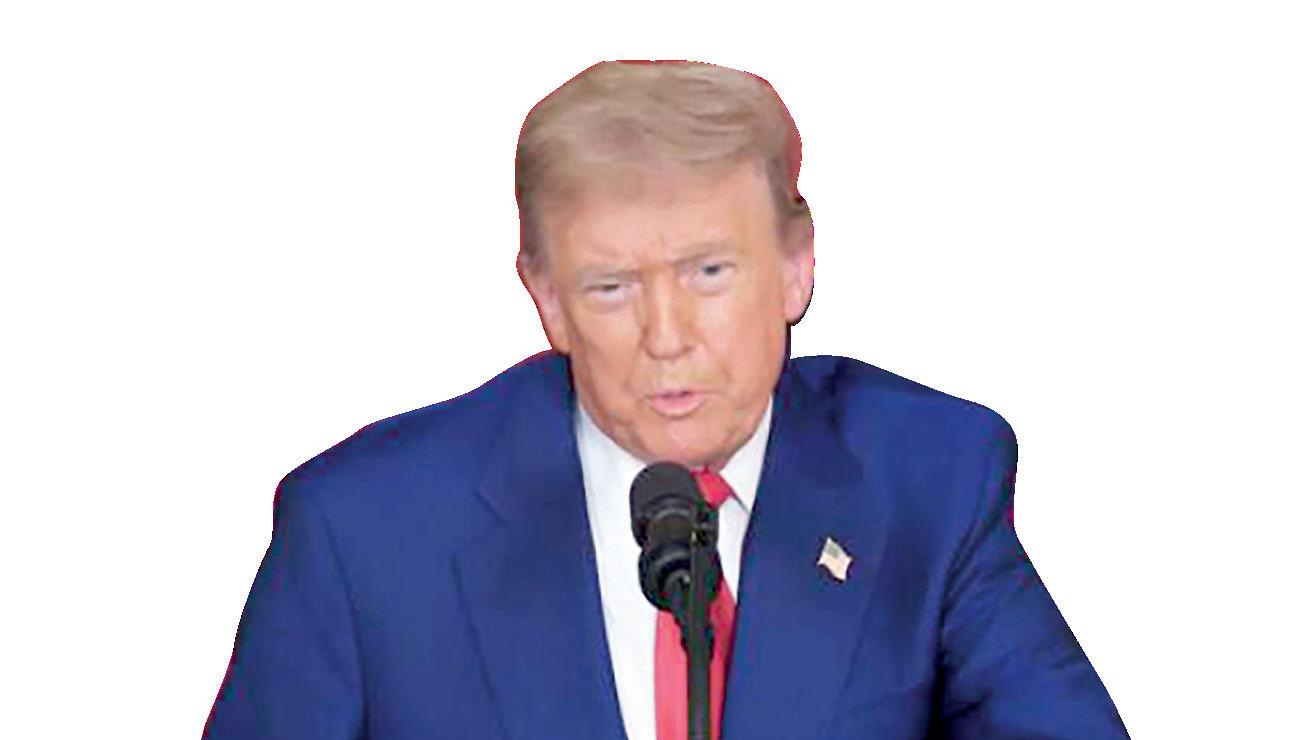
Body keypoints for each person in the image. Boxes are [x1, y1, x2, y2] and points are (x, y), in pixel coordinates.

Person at [204, 60, 1129, 739]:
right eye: (611, 288)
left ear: (797, 268)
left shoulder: (927, 479)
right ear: (547, 300)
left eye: (709, 272)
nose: (667, 334)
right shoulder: (363, 533)